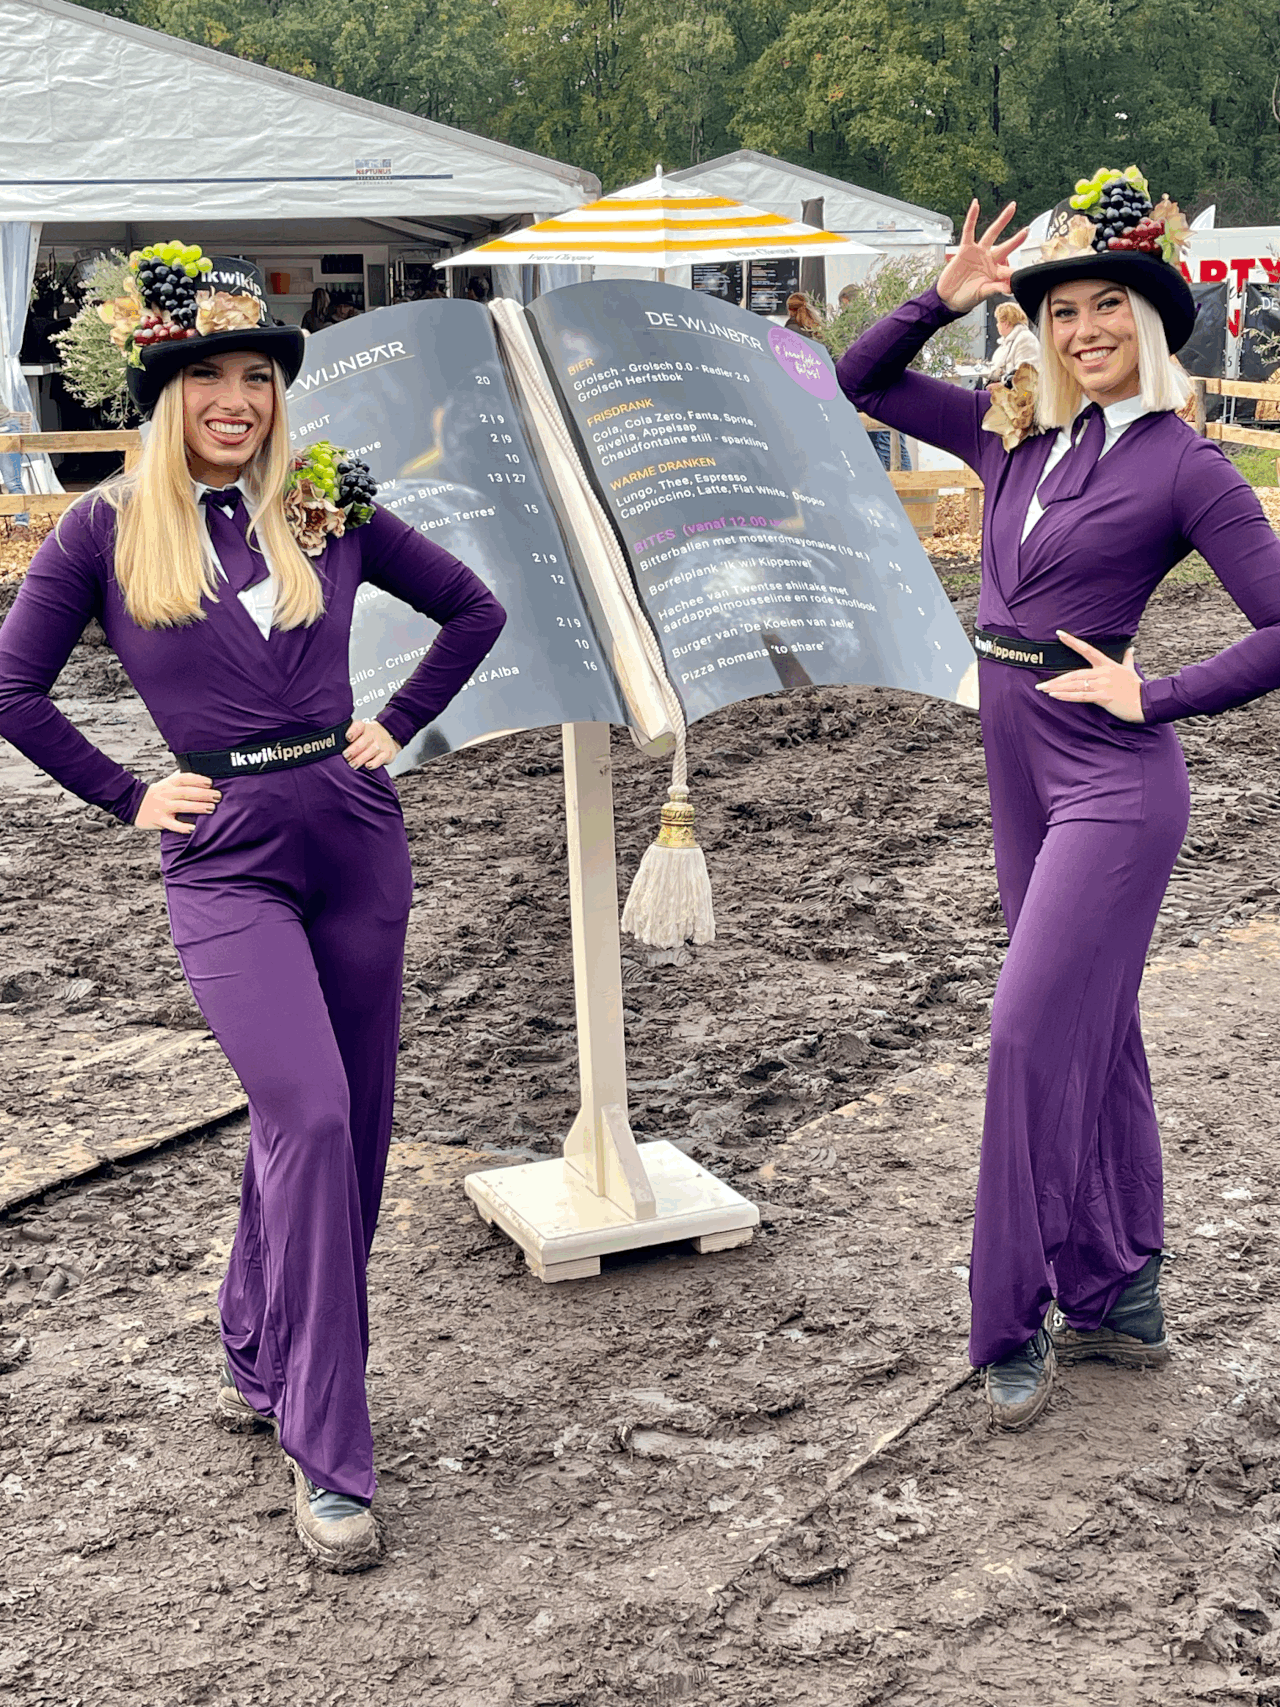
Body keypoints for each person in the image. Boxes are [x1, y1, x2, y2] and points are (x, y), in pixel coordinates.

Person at [0, 254, 506, 1566]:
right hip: (223, 858)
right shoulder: (104, 529)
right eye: (208, 377)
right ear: (164, 394)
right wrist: (128, 795)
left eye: (257, 378)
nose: (236, 399)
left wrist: (397, 721)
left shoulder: (328, 503)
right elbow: (13, 690)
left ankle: (254, 1336)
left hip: (355, 838)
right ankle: (327, 1448)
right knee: (310, 1111)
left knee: (348, 1127)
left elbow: (473, 607)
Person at [836, 180, 1280, 1431]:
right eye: (1064, 311)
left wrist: (1159, 693)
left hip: (1109, 780)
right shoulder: (1010, 434)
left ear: (1154, 322)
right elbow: (853, 381)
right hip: (1015, 767)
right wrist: (939, 298)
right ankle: (1119, 1291)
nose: (1084, 329)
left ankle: (1011, 1313)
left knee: (1026, 1032)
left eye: (1108, 307)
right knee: (1096, 1024)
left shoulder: (1185, 463)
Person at [984, 300, 1040, 383]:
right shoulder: (1006, 343)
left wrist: (1001, 380)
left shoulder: (1025, 339)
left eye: (998, 321)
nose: (997, 325)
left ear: (1006, 323)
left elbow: (1025, 375)